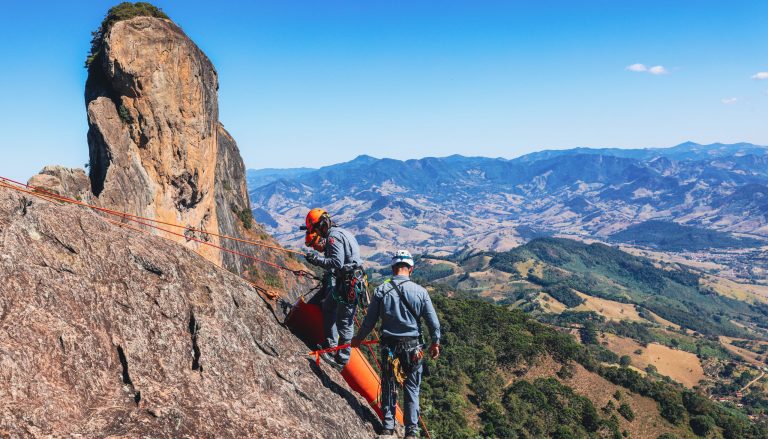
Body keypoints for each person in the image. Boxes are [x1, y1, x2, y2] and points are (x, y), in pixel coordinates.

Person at [351, 250, 441, 439]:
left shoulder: (381, 290)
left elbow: (369, 322)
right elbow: (433, 322)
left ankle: (388, 426)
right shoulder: (420, 292)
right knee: (412, 388)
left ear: (393, 268)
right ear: (411, 269)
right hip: (413, 347)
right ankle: (411, 431)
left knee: (389, 384)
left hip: (389, 346)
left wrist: (357, 340)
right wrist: (435, 343)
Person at [302, 208, 363, 369]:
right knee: (328, 306)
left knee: (345, 322)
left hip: (348, 283)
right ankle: (330, 346)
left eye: (316, 229)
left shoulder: (333, 237)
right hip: (347, 281)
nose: (317, 234)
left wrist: (317, 260)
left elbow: (337, 263)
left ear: (321, 225)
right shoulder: (343, 232)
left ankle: (341, 360)